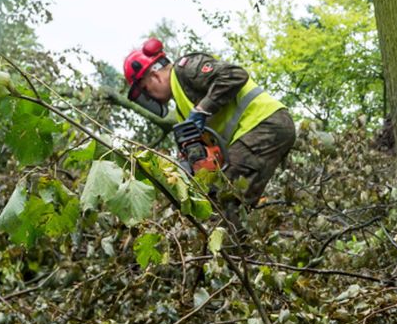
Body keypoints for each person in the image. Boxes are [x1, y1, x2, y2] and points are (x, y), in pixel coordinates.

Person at [124, 37, 296, 207]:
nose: (149, 96)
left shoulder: (186, 68)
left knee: (225, 199)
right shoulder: (181, 109)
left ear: (155, 76)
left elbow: (234, 75)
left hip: (264, 124)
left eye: (145, 89)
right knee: (220, 197)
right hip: (256, 132)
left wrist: (203, 109)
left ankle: (234, 232)